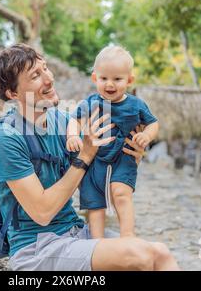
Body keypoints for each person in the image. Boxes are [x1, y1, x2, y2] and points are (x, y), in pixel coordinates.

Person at [0, 43, 180, 271]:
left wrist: (132, 155)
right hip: (37, 248)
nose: (49, 79)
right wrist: (84, 156)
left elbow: (102, 165)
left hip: (75, 232)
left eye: (45, 68)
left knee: (161, 254)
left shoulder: (62, 121)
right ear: (13, 93)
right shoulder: (6, 137)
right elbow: (42, 212)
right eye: (35, 76)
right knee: (138, 256)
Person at [66, 45, 159, 238]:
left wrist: (147, 136)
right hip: (95, 161)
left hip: (123, 157)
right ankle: (97, 242)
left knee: (120, 193)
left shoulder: (136, 105)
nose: (110, 84)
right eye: (104, 78)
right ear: (95, 79)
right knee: (95, 204)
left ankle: (128, 236)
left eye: (117, 79)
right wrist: (73, 136)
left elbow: (153, 123)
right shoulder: (90, 103)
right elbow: (75, 120)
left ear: (129, 80)